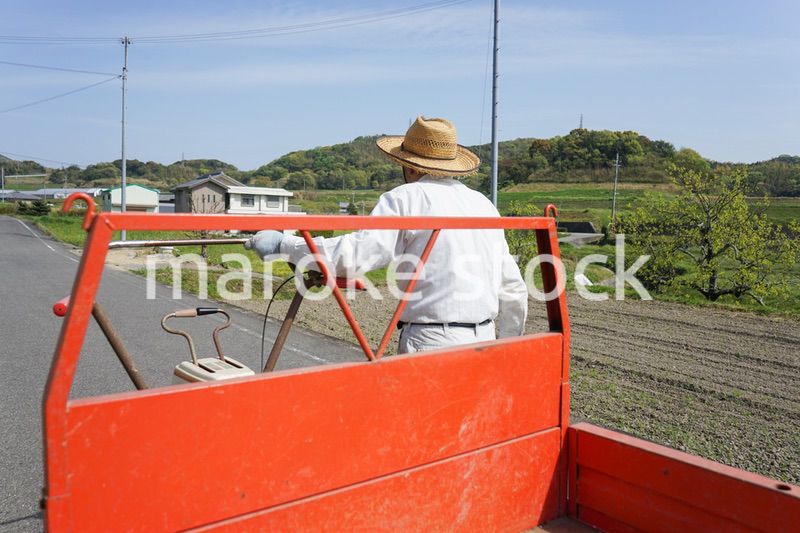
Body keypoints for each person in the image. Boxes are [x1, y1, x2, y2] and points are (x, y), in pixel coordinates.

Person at [247, 116, 528, 354]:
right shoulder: (483, 205)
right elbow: (513, 287)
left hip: (432, 341)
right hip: (484, 338)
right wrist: (506, 346)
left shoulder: (406, 198)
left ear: (410, 165)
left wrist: (284, 244)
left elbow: (355, 255)